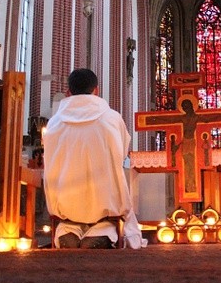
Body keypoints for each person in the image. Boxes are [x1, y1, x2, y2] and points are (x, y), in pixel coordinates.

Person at [43, 68, 145, 249]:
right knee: (107, 213)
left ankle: (68, 233)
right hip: (104, 200)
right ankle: (103, 233)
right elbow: (121, 154)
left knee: (68, 222)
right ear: (96, 90)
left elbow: (49, 159)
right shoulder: (112, 118)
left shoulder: (54, 122)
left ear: (68, 92)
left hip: (66, 202)